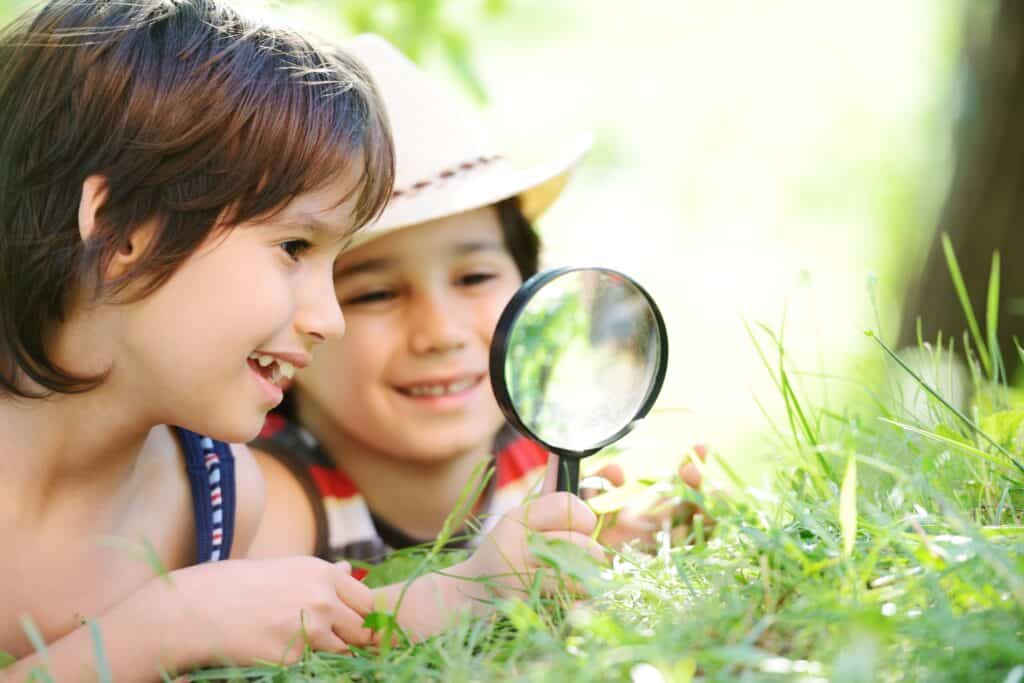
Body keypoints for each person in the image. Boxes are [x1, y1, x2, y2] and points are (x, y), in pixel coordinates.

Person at [0, 4, 597, 679]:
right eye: (294, 248)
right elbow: (200, 618)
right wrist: (159, 627)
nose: (329, 317)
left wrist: (470, 586)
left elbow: (302, 620)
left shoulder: (221, 498)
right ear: (120, 232)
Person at [248, 36, 705, 581]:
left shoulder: (539, 469)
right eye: (375, 293)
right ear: (290, 327)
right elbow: (279, 628)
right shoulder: (271, 496)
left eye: (474, 277)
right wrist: (475, 590)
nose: (440, 333)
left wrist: (618, 536)